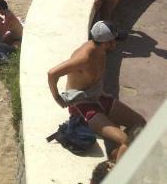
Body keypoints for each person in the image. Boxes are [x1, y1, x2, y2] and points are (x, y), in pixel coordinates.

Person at [47, 21, 145, 162]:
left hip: (98, 97)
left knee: (141, 124)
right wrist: (58, 99)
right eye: (114, 41)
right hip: (83, 106)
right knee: (127, 142)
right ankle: (115, 173)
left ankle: (115, 155)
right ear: (106, 43)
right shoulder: (84, 58)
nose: (116, 44)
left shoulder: (101, 49)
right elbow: (52, 73)